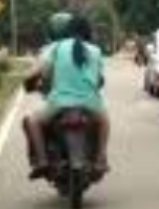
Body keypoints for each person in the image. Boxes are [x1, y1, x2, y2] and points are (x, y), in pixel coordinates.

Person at [25, 13, 109, 179]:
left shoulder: (56, 48)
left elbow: (42, 71)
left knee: (33, 121)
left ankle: (42, 162)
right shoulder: (96, 50)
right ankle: (100, 160)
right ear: (88, 32)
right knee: (105, 121)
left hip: (59, 103)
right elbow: (99, 79)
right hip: (90, 104)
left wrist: (29, 78)